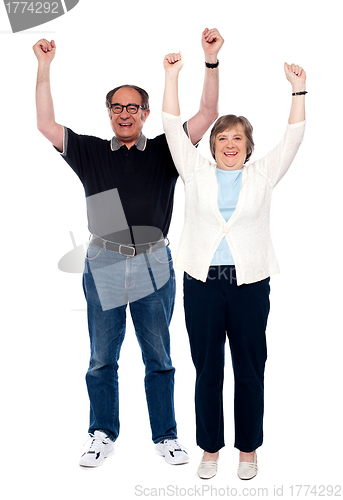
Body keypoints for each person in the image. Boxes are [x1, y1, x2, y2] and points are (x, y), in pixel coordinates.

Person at [33, 28, 224, 468]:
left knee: (158, 355)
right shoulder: (91, 153)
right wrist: (44, 67)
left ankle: (166, 435)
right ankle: (101, 432)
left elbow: (208, 111)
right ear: (109, 113)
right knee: (102, 356)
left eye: (132, 107)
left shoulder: (165, 151)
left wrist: (208, 60)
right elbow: (45, 123)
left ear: (145, 112)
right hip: (103, 262)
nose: (124, 114)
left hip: (154, 264)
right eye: (117, 107)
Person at [162, 53, 306, 479]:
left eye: (237, 139)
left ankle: (248, 449)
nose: (229, 144)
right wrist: (171, 76)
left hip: (249, 285)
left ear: (247, 145)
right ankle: (210, 448)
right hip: (202, 284)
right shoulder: (195, 172)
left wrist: (298, 90)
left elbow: (294, 137)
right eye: (222, 137)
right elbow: (171, 127)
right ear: (212, 144)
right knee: (207, 369)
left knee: (249, 367)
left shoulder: (263, 174)